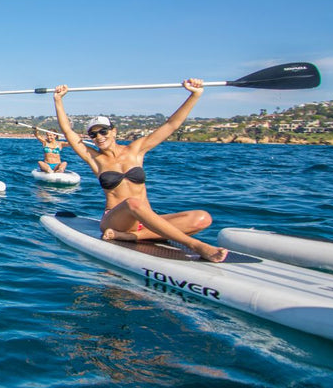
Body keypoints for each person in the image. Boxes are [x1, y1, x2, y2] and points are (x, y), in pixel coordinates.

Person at [53, 80, 228, 263]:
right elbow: (67, 131)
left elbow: (171, 125)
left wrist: (194, 95)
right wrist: (58, 100)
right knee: (132, 203)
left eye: (103, 131)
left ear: (114, 131)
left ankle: (132, 237)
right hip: (115, 220)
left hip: (143, 224)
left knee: (202, 218)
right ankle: (195, 245)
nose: (99, 137)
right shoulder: (95, 159)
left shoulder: (135, 150)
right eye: (93, 134)